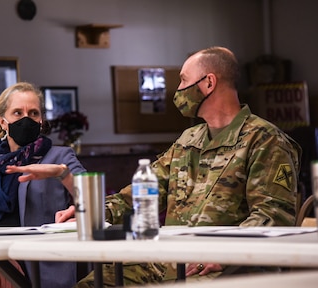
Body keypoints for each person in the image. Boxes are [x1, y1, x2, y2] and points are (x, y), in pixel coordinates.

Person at [55, 46, 302, 286]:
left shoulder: (265, 140)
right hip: (168, 260)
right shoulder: (188, 140)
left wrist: (226, 253)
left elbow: (272, 215)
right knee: (94, 282)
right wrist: (94, 212)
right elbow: (145, 190)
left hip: (227, 266)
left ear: (208, 83)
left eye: (184, 80)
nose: (179, 90)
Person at [0, 81, 86, 288]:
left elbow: (94, 199)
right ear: (3, 121)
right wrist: (0, 255)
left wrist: (63, 173)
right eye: (18, 113)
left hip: (47, 268)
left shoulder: (60, 156)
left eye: (34, 113)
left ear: (41, 121)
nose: (26, 119)